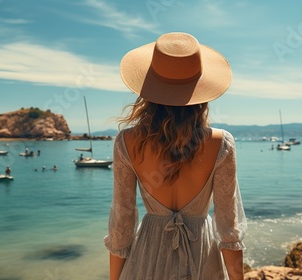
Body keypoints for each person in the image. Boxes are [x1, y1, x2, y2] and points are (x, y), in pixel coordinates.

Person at [104, 32, 246, 280]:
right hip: (202, 257)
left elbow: (121, 226)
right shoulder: (221, 143)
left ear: (149, 90)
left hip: (147, 257)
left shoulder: (126, 142)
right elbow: (229, 230)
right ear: (201, 92)